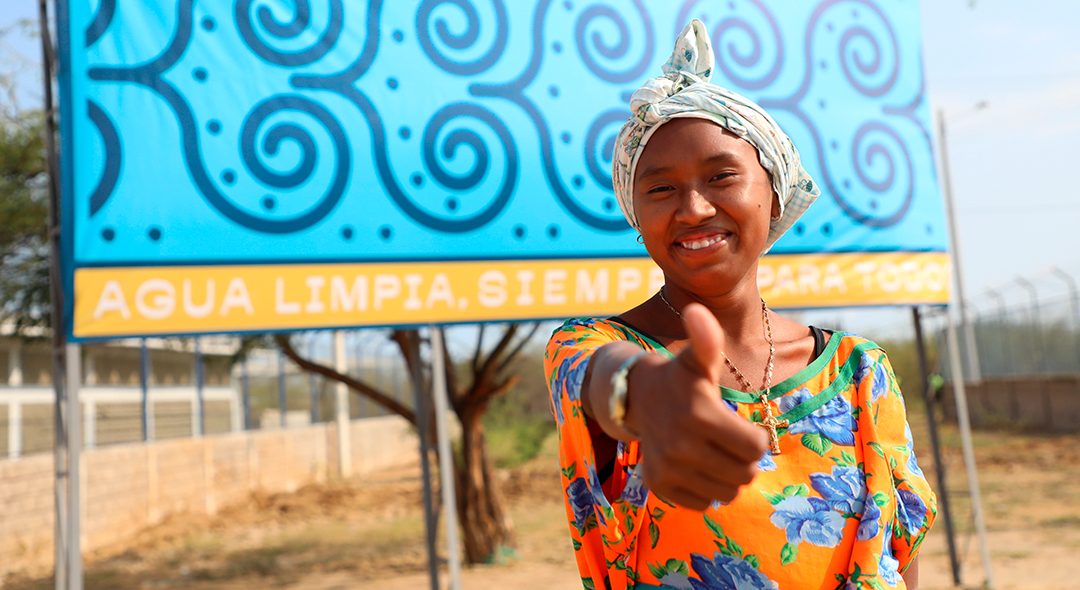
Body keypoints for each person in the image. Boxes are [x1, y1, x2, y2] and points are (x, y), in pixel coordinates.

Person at [545, 20, 936, 590]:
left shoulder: (860, 373)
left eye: (721, 176)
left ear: (774, 189)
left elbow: (900, 556)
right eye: (660, 189)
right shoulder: (595, 349)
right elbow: (602, 383)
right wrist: (644, 395)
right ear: (636, 214)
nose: (695, 208)